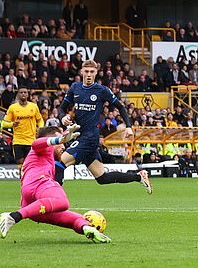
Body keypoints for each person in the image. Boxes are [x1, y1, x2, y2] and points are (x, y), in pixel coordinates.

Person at [0, 125, 111, 243]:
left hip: (29, 202)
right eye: (61, 142)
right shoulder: (44, 149)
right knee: (62, 201)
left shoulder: (46, 159)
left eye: (64, 142)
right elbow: (36, 143)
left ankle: (88, 229)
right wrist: (57, 140)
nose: (63, 146)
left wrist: (86, 228)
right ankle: (13, 216)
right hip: (39, 183)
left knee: (76, 218)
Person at [57, 60, 152, 193]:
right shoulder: (75, 88)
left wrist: (128, 126)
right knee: (102, 178)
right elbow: (61, 108)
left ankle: (53, 201)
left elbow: (120, 107)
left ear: (96, 73)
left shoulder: (102, 90)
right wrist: (63, 117)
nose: (89, 74)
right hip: (79, 135)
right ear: (82, 72)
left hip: (89, 138)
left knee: (59, 164)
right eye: (86, 71)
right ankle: (138, 176)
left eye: (92, 72)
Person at [1, 86, 44, 168]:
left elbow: (40, 120)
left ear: (28, 95)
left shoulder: (33, 107)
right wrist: (12, 124)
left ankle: (29, 179)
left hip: (31, 140)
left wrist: (40, 128)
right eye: (21, 92)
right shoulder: (13, 108)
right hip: (18, 140)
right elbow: (3, 123)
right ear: (18, 95)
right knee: (20, 162)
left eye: (25, 92)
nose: (23, 94)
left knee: (30, 162)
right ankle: (22, 180)